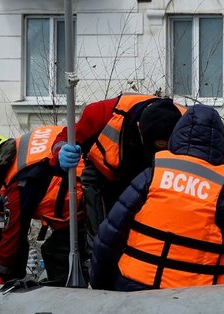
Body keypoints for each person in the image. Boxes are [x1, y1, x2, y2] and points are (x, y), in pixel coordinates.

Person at [90, 104, 224, 291]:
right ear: (221, 144)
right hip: (195, 303)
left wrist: (101, 288)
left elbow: (108, 237)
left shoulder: (150, 177)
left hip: (132, 289)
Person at [55, 94, 185, 251]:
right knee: (107, 238)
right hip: (108, 180)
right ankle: (97, 252)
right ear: (138, 127)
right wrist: (60, 151)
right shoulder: (104, 113)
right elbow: (66, 137)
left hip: (162, 183)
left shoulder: (187, 123)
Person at [0, 125, 85, 283]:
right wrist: (4, 195)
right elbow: (36, 173)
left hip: (89, 206)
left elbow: (11, 244)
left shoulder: (21, 187)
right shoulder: (23, 145)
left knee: (54, 253)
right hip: (101, 178)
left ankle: (67, 297)